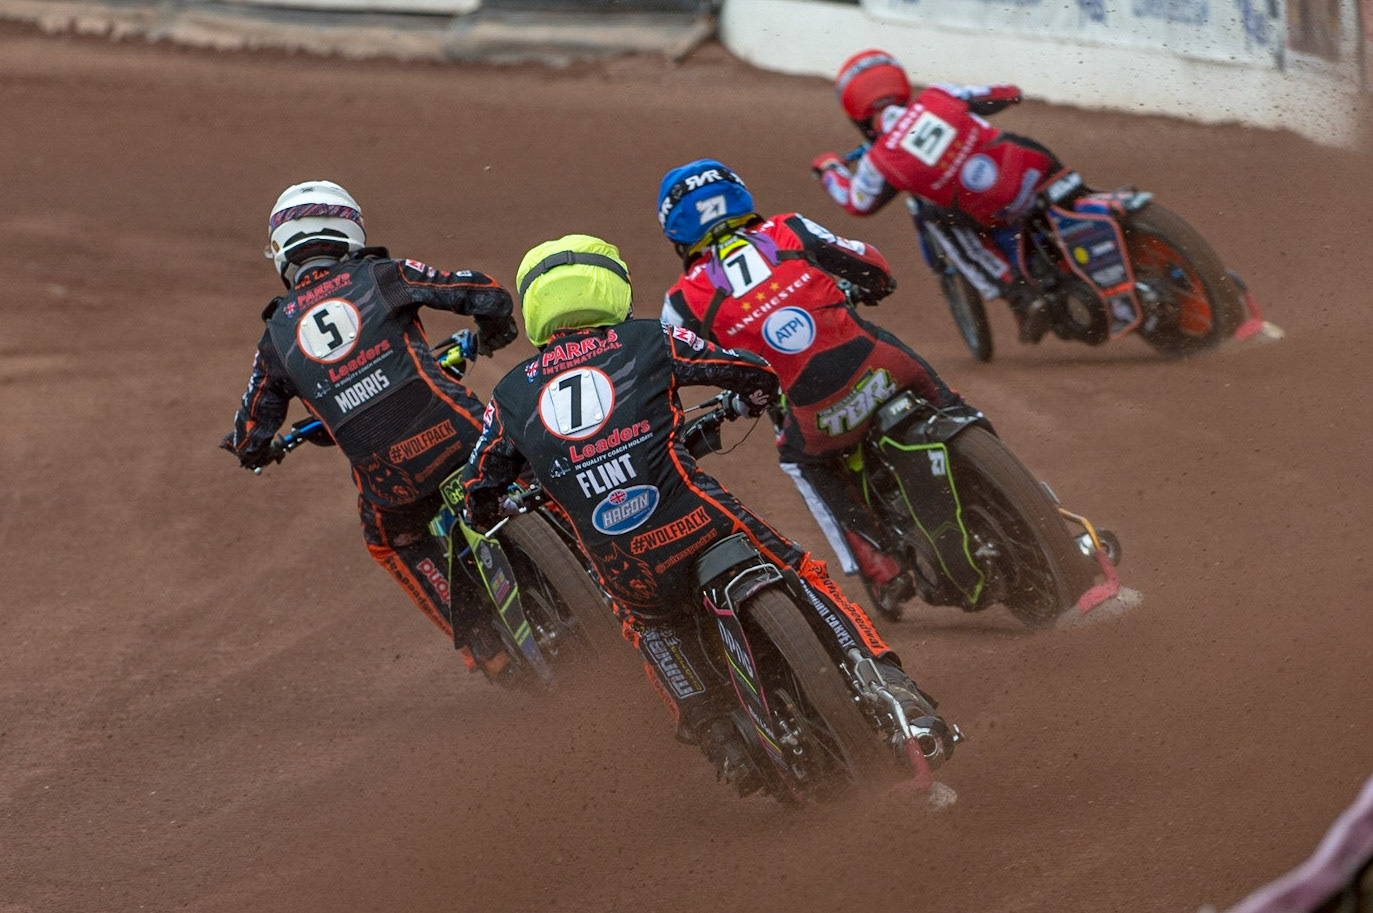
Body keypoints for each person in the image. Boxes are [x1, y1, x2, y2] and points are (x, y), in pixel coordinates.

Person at [461, 233, 935, 796]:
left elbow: (478, 484)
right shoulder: (648, 339)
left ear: (536, 306)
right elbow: (746, 370)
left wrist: (496, 501)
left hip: (624, 557)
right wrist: (754, 398)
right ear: (611, 288)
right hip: (696, 518)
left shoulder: (510, 395)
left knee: (650, 625)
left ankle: (720, 738)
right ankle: (886, 679)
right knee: (800, 570)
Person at [220, 180, 519, 677]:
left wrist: (254, 450)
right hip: (462, 439)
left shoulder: (275, 336)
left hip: (394, 483)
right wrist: (496, 329)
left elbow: (251, 429)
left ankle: (485, 648)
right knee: (524, 459)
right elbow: (483, 294)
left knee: (387, 537)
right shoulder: (383, 275)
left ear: (281, 250)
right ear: (350, 230)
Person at [656, 157, 957, 615]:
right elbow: (870, 262)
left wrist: (737, 394)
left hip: (814, 413)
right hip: (884, 367)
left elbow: (672, 371)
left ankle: (878, 564)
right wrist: (875, 283)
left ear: (675, 230)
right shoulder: (788, 227)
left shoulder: (681, 300)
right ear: (737, 193)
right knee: (948, 401)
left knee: (799, 461)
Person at [810, 49, 1082, 343]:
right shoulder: (937, 95)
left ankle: (1018, 291)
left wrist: (830, 170)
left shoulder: (878, 161)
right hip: (1036, 168)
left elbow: (857, 202)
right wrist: (1010, 95)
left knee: (942, 218)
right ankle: (1092, 202)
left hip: (990, 208)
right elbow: (1004, 94)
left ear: (857, 112)